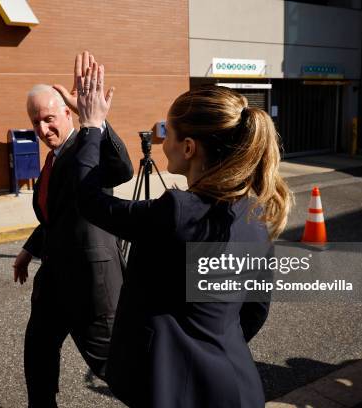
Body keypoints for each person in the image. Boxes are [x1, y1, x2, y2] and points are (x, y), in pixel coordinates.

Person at [72, 58, 292, 407]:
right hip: (236, 385)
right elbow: (254, 311)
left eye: (167, 134)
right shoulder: (257, 213)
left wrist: (90, 126)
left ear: (188, 148)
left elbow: (89, 200)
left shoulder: (177, 212)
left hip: (170, 388)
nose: (161, 143)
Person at [13, 54, 133, 408]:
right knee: (37, 349)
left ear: (68, 113)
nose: (42, 129)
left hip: (91, 283)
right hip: (54, 279)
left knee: (116, 368)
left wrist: (92, 119)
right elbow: (57, 216)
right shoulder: (51, 159)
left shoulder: (87, 146)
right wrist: (29, 249)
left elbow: (122, 168)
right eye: (35, 122)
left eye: (49, 119)